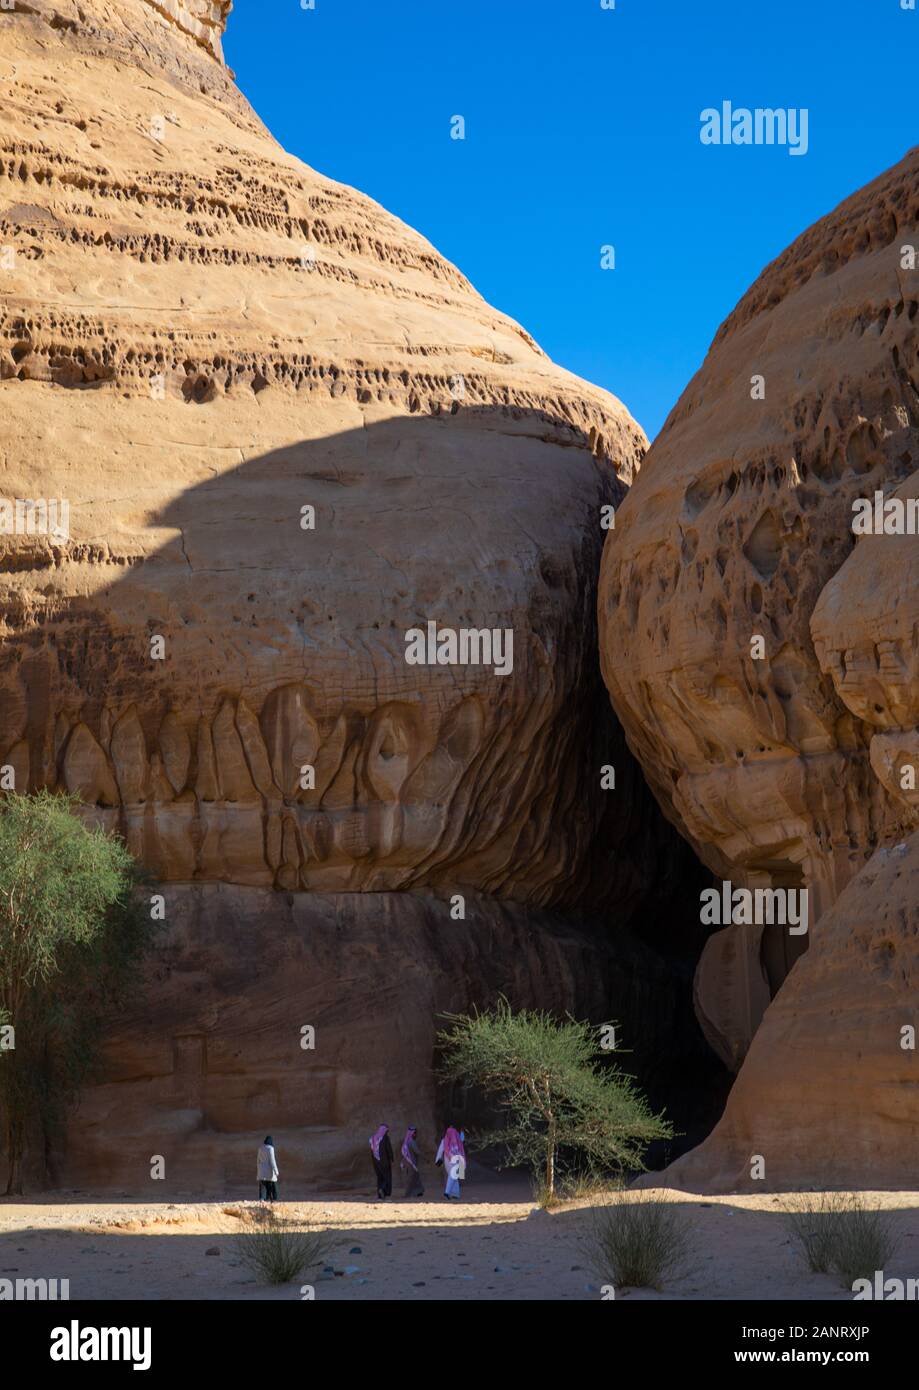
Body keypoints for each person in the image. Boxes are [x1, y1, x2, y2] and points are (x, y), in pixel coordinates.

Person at [435, 1125, 466, 1200]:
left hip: (457, 1160)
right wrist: (438, 1160)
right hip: (449, 1161)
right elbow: (440, 1151)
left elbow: (462, 1139)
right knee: (452, 1176)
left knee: (453, 1176)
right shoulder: (445, 1141)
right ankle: (448, 1193)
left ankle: (455, 1194)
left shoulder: (457, 1140)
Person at [369, 1123, 393, 1199]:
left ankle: (380, 1195)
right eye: (387, 1131)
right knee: (387, 1177)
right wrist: (391, 1158)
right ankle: (383, 1189)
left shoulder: (372, 1138)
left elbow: (372, 1151)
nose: (387, 1132)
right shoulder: (385, 1138)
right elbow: (389, 1149)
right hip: (384, 1161)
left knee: (380, 1177)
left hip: (376, 1162)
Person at [400, 1125, 424, 1198]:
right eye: (415, 1133)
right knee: (411, 1179)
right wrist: (425, 1157)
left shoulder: (406, 1142)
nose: (416, 1135)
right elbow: (417, 1151)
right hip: (411, 1163)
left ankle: (419, 1192)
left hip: (408, 1163)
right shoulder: (411, 1142)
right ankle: (407, 1195)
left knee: (416, 1177)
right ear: (412, 1133)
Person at [257, 1134, 279, 1202]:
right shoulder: (270, 1148)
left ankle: (262, 1199)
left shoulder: (260, 1148)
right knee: (272, 1185)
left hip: (261, 1170)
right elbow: (272, 1160)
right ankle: (274, 1199)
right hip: (269, 1170)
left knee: (263, 1185)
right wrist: (276, 1170)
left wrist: (258, 1170)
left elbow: (258, 1160)